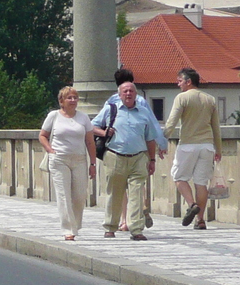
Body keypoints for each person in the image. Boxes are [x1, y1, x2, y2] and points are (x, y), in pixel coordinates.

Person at [92, 80, 165, 240]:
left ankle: (136, 229)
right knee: (114, 193)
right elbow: (91, 126)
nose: (128, 93)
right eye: (125, 91)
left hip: (138, 157)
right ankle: (110, 227)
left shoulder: (144, 112)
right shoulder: (111, 109)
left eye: (131, 91)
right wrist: (104, 133)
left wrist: (152, 160)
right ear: (119, 95)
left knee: (137, 194)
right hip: (114, 155)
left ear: (136, 94)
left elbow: (150, 138)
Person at [164, 67, 222, 230]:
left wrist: (162, 141)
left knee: (179, 177)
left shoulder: (182, 98)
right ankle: (200, 219)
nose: (178, 85)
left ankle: (192, 204)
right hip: (207, 146)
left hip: (188, 144)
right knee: (201, 183)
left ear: (188, 82)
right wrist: (218, 149)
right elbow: (216, 126)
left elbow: (171, 123)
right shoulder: (210, 99)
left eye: (180, 81)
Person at [40, 87, 96, 240]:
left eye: (75, 98)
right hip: (59, 159)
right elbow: (43, 135)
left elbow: (90, 142)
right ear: (61, 101)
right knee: (63, 195)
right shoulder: (54, 116)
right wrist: (50, 150)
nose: (73, 101)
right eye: (69, 98)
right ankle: (68, 230)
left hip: (79, 159)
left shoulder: (83, 118)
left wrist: (93, 164)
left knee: (79, 196)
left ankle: (75, 225)